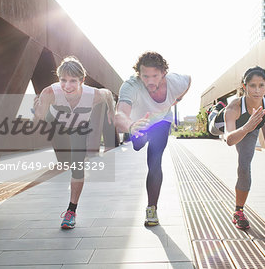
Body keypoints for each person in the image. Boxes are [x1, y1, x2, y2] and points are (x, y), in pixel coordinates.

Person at [33, 55, 115, 229]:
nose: (67, 86)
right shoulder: (50, 92)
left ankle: (71, 211)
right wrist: (38, 110)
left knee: (77, 167)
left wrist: (111, 113)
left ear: (82, 80)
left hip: (78, 126)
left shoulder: (93, 95)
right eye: (63, 80)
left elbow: (108, 95)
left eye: (72, 81)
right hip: (55, 120)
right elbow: (39, 117)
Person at [115, 51, 191, 226]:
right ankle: (141, 134)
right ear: (139, 74)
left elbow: (189, 80)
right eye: (145, 76)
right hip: (138, 122)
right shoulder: (131, 86)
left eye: (155, 76)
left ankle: (152, 208)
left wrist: (178, 99)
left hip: (162, 121)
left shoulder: (175, 82)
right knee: (138, 145)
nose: (150, 80)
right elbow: (120, 115)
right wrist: (131, 126)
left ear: (163, 73)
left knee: (155, 161)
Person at [223, 66, 265, 230]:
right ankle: (214, 112)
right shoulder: (233, 108)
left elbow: (258, 124)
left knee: (244, 167)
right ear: (244, 86)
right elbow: (229, 140)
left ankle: (238, 211)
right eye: (252, 86)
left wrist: (250, 128)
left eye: (261, 85)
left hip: (250, 130)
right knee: (213, 126)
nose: (257, 90)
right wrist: (246, 127)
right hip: (231, 127)